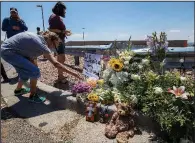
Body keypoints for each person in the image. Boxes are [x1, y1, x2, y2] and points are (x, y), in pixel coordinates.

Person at [1, 31, 82, 103]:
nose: (54, 47)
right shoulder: (41, 44)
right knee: (34, 71)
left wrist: (33, 65)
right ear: (51, 40)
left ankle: (18, 90)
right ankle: (33, 96)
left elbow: (29, 55)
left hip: (7, 50)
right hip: (9, 52)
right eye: (55, 44)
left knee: (24, 72)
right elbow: (56, 64)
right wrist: (74, 73)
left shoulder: (37, 39)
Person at [48, 1, 72, 83]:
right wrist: (62, 32)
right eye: (64, 10)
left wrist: (65, 31)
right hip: (58, 40)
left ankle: (60, 75)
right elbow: (50, 29)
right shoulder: (55, 17)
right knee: (61, 59)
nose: (65, 11)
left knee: (61, 59)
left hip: (59, 39)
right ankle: (60, 77)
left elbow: (56, 29)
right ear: (60, 9)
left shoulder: (55, 16)